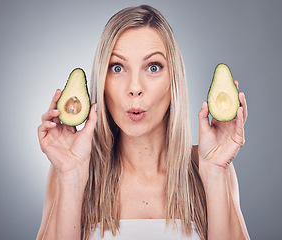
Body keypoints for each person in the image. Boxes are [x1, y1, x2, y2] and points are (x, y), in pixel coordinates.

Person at [37, 5, 250, 240]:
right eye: (117, 68)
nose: (135, 88)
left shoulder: (212, 167)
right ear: (102, 80)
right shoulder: (68, 170)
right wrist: (70, 176)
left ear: (174, 80)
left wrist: (216, 172)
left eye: (153, 67)